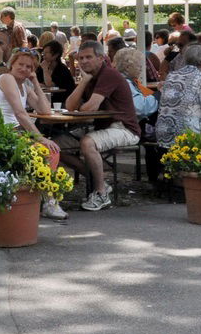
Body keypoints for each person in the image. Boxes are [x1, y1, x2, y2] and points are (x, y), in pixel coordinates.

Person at [60, 40, 141, 211]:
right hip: (102, 127)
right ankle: (99, 180)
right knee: (56, 145)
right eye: (80, 58)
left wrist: (82, 102)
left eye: (89, 57)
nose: (83, 61)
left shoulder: (108, 74)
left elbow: (89, 108)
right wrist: (83, 82)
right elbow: (69, 106)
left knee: (87, 143)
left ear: (101, 58)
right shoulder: (90, 77)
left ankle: (101, 193)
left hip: (124, 128)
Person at [0, 47, 66, 220]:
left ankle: (45, 199)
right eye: (20, 64)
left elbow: (45, 111)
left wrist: (35, 82)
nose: (24, 69)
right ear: (12, 64)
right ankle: (48, 201)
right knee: (48, 150)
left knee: (51, 152)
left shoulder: (24, 86)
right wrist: (40, 138)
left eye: (29, 67)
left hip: (14, 133)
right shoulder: (6, 78)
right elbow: (19, 113)